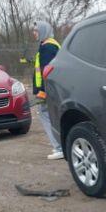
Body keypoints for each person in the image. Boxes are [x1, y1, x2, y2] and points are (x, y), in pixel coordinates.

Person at [32, 21, 62, 160]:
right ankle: (61, 146)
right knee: (52, 115)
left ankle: (59, 147)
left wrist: (43, 91)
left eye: (36, 31)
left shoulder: (47, 47)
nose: (34, 33)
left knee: (45, 114)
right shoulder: (50, 44)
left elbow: (46, 71)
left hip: (48, 90)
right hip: (52, 88)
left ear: (43, 31)